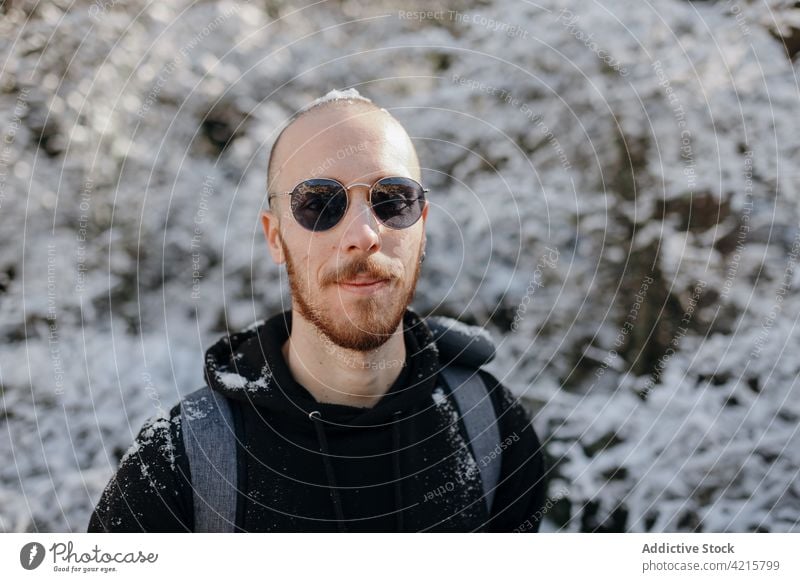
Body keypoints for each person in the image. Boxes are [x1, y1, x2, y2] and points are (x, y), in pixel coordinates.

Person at [88, 89, 549, 532]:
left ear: (421, 228)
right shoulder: (177, 468)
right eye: (320, 203)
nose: (364, 233)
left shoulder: (491, 427)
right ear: (275, 237)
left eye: (392, 200)